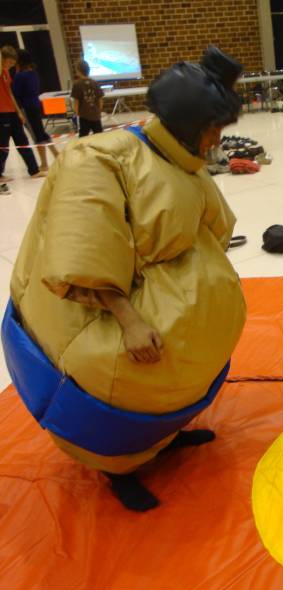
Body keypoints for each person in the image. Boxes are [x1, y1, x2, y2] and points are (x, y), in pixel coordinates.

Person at [2, 47, 247, 512]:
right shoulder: (101, 157)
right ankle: (119, 469)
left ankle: (165, 436)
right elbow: (84, 246)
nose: (218, 140)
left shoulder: (183, 163)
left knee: (169, 386)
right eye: (214, 128)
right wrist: (130, 320)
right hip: (109, 320)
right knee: (122, 384)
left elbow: (213, 231)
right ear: (188, 123)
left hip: (173, 336)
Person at [0, 45, 43, 183]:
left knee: (23, 141)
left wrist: (18, 112)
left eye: (13, 64)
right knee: (3, 145)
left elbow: (10, 93)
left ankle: (34, 170)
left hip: (12, 112)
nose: (11, 66)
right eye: (9, 62)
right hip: (2, 114)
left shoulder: (6, 73)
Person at [12, 49, 59, 171]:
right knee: (41, 132)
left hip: (27, 108)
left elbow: (15, 93)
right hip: (36, 104)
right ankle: (56, 154)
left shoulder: (20, 76)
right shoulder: (33, 73)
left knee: (36, 135)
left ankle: (44, 163)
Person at [71, 60, 104, 137]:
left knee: (83, 136)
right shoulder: (95, 83)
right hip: (96, 115)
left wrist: (76, 114)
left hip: (84, 116)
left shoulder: (76, 84)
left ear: (78, 71)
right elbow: (100, 100)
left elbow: (76, 102)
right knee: (99, 136)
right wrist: (99, 111)